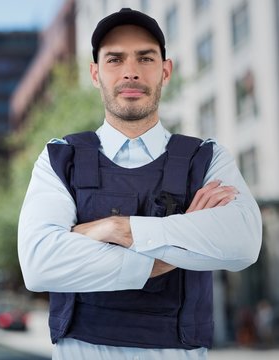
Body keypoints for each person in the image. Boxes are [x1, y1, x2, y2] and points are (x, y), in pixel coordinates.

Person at [17, 7, 262, 360]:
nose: (130, 71)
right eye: (114, 59)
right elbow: (39, 265)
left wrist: (111, 228)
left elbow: (244, 244)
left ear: (165, 71)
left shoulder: (207, 159)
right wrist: (178, 246)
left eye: (145, 58)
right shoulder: (60, 158)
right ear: (95, 73)